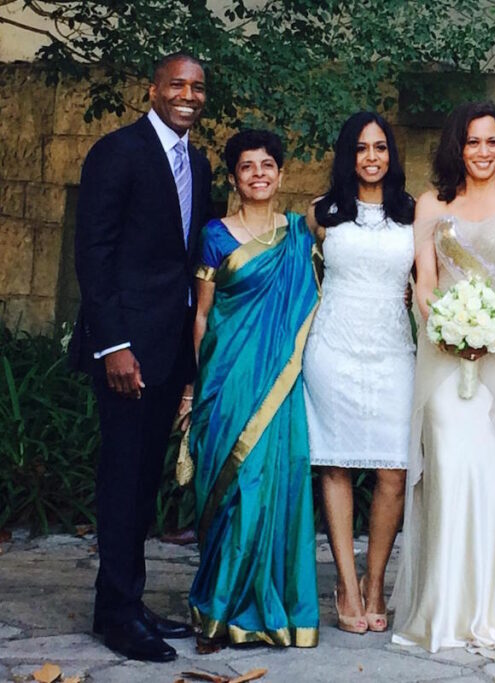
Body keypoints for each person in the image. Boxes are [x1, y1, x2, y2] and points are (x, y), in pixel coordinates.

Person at [390, 101, 495, 658]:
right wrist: (448, 327)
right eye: (472, 142)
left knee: (494, 474)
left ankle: (493, 606)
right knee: (452, 470)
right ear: (455, 147)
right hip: (444, 356)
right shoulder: (433, 205)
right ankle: (443, 606)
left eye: (492, 142)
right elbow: (425, 283)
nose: (483, 152)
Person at [69, 52, 212, 662]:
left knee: (142, 484)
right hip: (124, 352)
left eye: (197, 86)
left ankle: (125, 599)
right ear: (153, 89)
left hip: (168, 348)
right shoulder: (116, 152)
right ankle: (119, 617)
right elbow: (93, 255)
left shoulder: (199, 163)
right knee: (123, 480)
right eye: (176, 83)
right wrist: (114, 345)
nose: (188, 94)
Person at [187, 129, 320, 648]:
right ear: (234, 177)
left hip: (278, 384)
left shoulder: (298, 237)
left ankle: (264, 610)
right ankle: (217, 606)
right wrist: (198, 387)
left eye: (268, 165)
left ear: (281, 174)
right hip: (227, 382)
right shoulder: (215, 236)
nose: (259, 173)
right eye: (248, 166)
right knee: (230, 492)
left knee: (267, 489)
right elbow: (201, 315)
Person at [303, 112, 416, 634]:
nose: (372, 157)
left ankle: (376, 583)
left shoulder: (414, 215)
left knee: (393, 471)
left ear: (391, 155)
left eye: (381, 148)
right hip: (334, 351)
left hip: (393, 351)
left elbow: (432, 285)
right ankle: (346, 586)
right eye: (362, 148)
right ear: (348, 155)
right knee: (337, 465)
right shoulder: (320, 214)